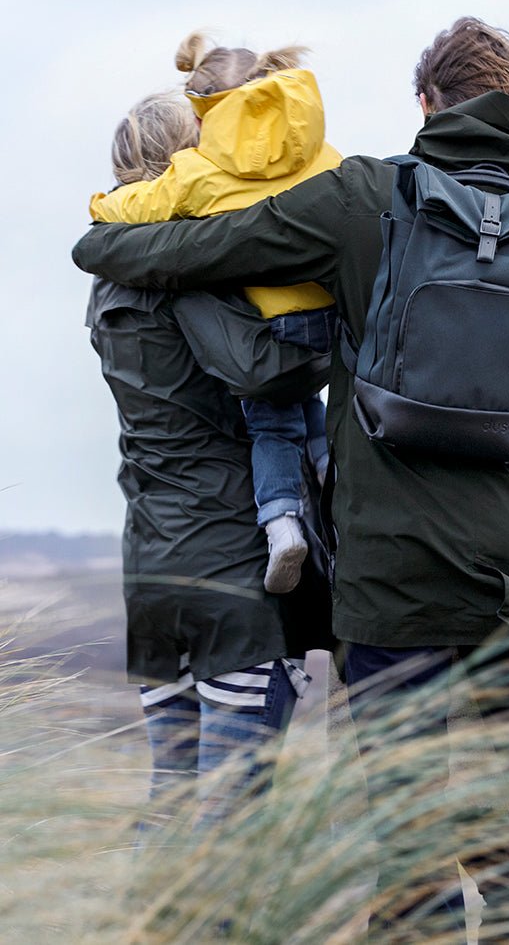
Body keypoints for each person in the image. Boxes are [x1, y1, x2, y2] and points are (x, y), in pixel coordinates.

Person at [74, 17, 509, 942]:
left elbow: (198, 250)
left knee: (409, 856)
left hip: (390, 586)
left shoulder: (362, 197)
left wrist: (98, 243)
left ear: (424, 104)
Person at [86, 90, 333, 829]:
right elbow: (262, 372)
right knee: (229, 828)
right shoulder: (185, 273)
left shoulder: (106, 288)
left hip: (153, 570)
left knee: (170, 805)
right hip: (231, 573)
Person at [90, 31, 344, 594]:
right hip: (228, 561)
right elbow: (264, 372)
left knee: (277, 418)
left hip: (165, 550)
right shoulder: (323, 159)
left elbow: (244, 375)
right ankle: (320, 490)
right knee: (293, 413)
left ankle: (293, 511)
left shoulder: (126, 272)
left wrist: (99, 221)